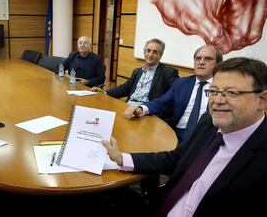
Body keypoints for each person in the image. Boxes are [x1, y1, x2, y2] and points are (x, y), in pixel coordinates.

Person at [103, 57, 267, 216]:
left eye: (231, 93)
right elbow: (177, 158)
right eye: (214, 91)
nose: (217, 100)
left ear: (262, 100)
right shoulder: (208, 121)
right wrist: (121, 158)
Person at [124, 45, 223, 143]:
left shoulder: (222, 89)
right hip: (176, 133)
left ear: (218, 64)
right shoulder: (181, 83)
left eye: (208, 59)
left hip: (203, 138)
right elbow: (162, 102)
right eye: (198, 58)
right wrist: (141, 108)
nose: (201, 62)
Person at [92, 38, 179, 106]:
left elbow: (175, 93)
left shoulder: (168, 72)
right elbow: (124, 89)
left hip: (147, 110)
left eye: (155, 52)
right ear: (144, 52)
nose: (150, 54)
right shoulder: (137, 71)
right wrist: (104, 92)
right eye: (148, 51)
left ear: (160, 55)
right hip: (129, 105)